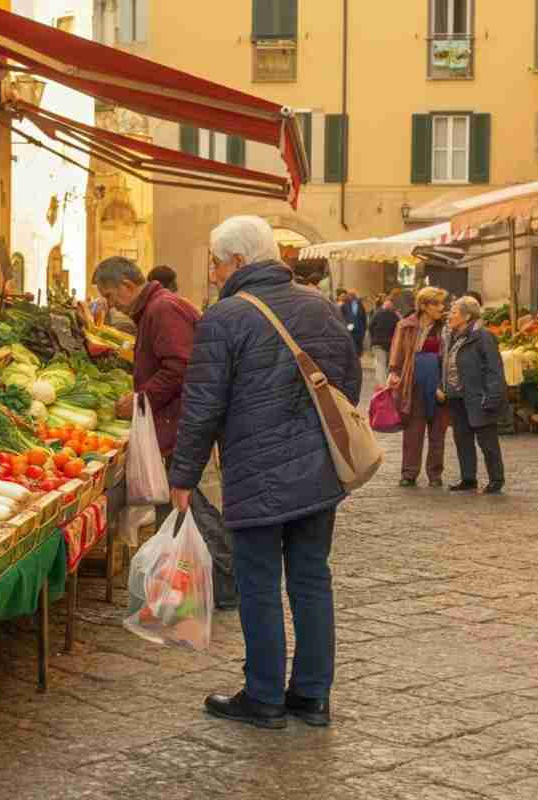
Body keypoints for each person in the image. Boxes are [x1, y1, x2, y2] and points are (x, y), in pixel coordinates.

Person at [170, 215, 360, 730]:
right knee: (311, 578)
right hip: (319, 474)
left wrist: (183, 476)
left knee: (258, 583)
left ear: (237, 261)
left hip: (256, 473)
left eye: (215, 262)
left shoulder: (225, 318)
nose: (211, 273)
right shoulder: (320, 308)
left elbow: (202, 406)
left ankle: (264, 695)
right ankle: (313, 696)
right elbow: (347, 384)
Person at [94, 257, 237, 607]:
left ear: (128, 284)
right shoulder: (157, 309)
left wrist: (141, 399)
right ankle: (195, 585)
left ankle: (229, 583)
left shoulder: (162, 310)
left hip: (182, 423)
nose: (111, 305)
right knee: (182, 508)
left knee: (192, 507)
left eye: (111, 296)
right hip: (177, 422)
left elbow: (180, 367)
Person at [441, 296, 507, 494]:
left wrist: (492, 396)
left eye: (453, 312)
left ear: (467, 316)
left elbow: (494, 369)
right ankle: (468, 478)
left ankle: (496, 479)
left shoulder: (483, 337)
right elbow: (447, 364)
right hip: (457, 397)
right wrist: (442, 386)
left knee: (487, 441)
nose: (449, 316)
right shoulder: (452, 336)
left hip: (479, 396)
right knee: (463, 439)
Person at [388, 286, 450, 488]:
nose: (442, 307)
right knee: (413, 431)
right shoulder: (405, 325)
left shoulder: (445, 328)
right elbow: (397, 352)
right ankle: (409, 473)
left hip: (438, 384)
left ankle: (435, 474)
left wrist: (442, 386)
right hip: (413, 384)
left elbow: (449, 361)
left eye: (442, 303)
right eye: (437, 303)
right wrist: (394, 373)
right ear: (424, 306)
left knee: (437, 432)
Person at [367, 296, 401, 387]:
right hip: (389, 344)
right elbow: (399, 328)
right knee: (387, 364)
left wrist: (373, 337)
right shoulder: (395, 316)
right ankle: (386, 383)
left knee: (380, 363)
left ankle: (382, 385)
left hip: (377, 343)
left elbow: (370, 326)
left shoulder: (377, 314)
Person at [341, 290, 367, 357]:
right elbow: (341, 318)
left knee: (358, 351)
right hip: (349, 331)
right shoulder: (344, 306)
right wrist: (346, 327)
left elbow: (364, 319)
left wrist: (363, 331)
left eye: (353, 295)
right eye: (350, 295)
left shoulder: (360, 305)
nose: (352, 296)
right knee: (351, 351)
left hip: (359, 332)